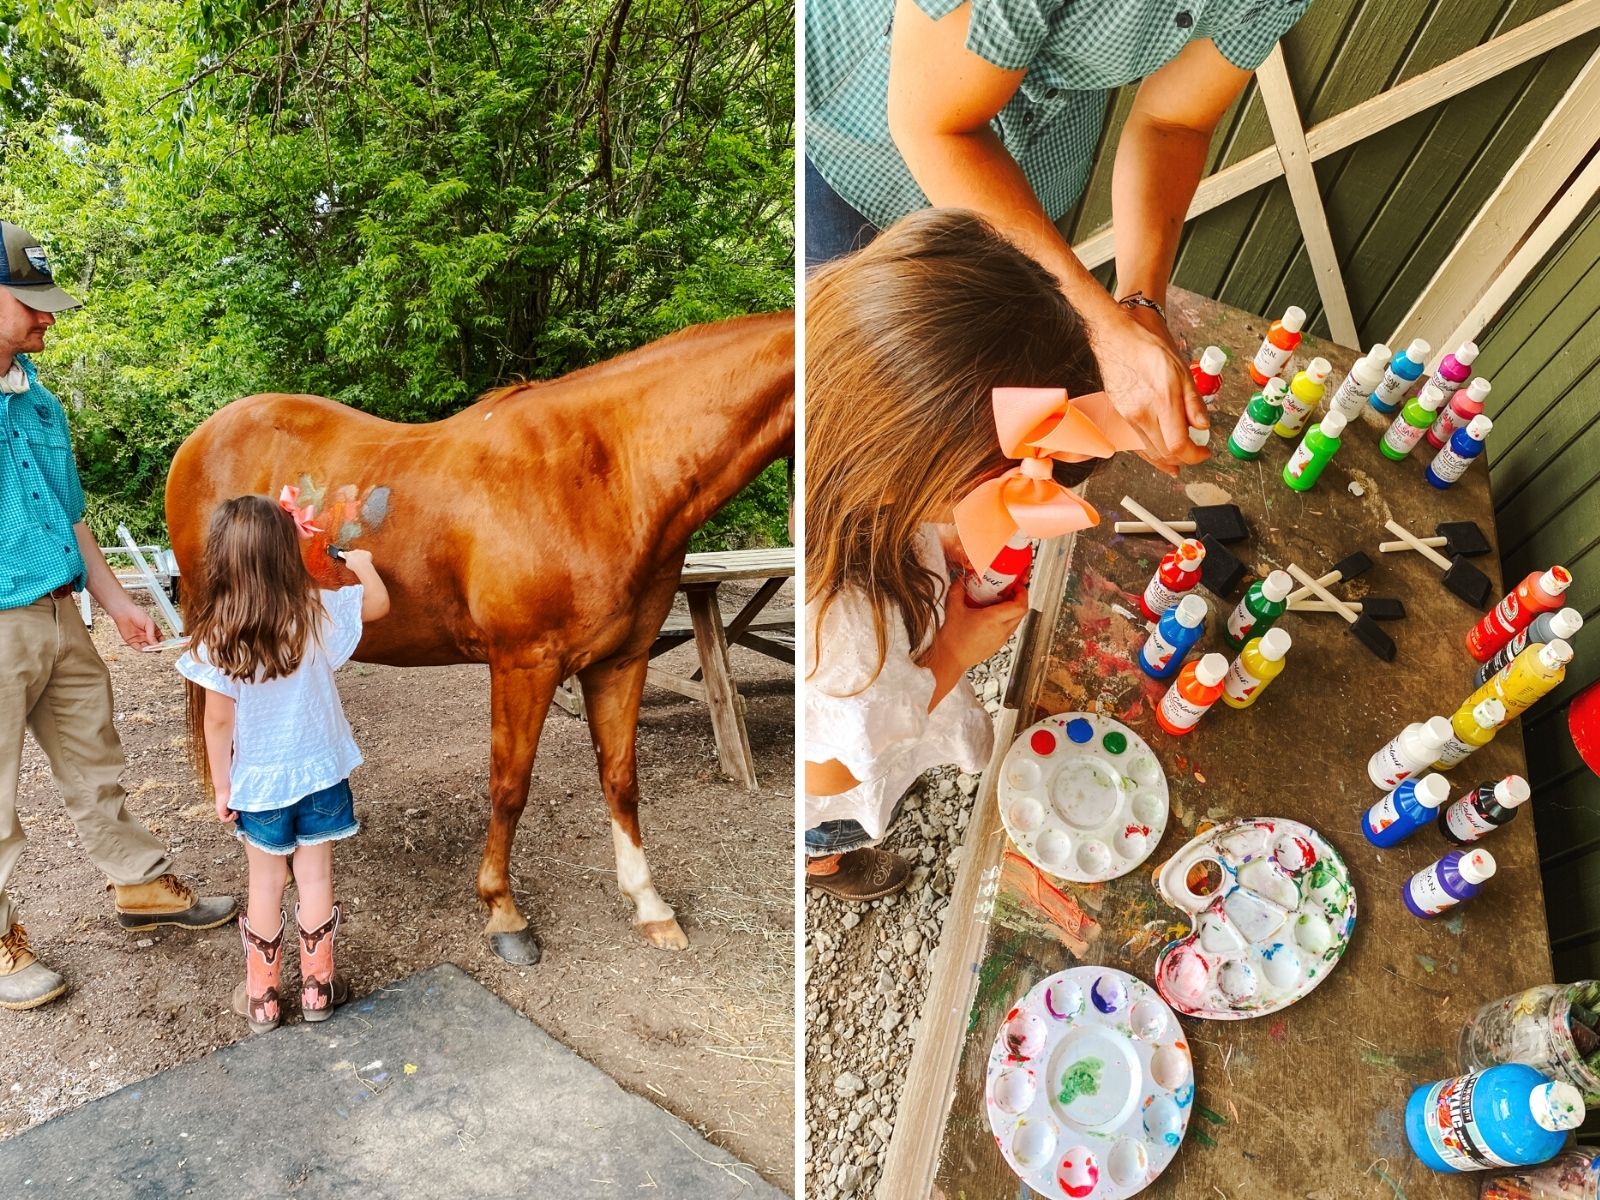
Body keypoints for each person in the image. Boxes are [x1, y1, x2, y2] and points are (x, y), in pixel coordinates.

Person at [806, 0, 1313, 475]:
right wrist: (1105, 329)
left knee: (955, 430)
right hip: (860, 149)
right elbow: (937, 127)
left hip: (1026, 181)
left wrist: (1140, 307)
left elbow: (1173, 124)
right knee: (841, 426)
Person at [804, 210, 1141, 900]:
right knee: (834, 820)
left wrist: (949, 539)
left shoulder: (857, 446)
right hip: (834, 775)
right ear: (919, 470)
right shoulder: (840, 632)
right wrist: (954, 648)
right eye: (1004, 490)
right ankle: (822, 861)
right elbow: (826, 773)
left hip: (900, 661)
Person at [0, 220, 237, 1012]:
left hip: (60, 612)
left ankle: (138, 886)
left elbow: (70, 516)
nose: (48, 318)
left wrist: (117, 602)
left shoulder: (38, 403)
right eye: (30, 302)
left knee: (94, 760)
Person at [177, 496, 390, 1032]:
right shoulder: (315, 612)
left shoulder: (217, 639)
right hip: (321, 771)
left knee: (266, 883)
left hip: (261, 784)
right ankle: (319, 990)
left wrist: (223, 787)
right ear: (286, 555)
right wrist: (362, 566)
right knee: (316, 878)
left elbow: (218, 724)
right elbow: (379, 606)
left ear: (221, 561)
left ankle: (263, 999)